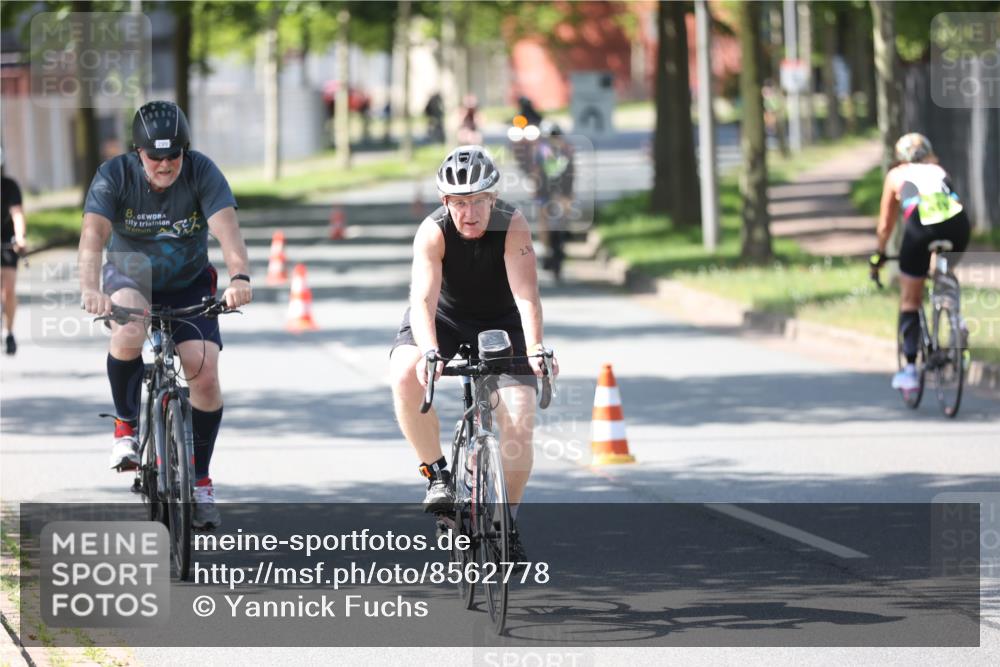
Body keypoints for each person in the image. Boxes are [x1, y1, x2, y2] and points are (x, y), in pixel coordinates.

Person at [78, 101, 253, 529]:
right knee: (131, 327)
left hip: (189, 282)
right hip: (130, 276)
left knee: (204, 374)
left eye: (173, 154)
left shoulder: (201, 171)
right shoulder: (113, 176)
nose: (165, 164)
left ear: (185, 151)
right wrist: (89, 288)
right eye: (154, 156)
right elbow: (93, 234)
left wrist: (240, 277)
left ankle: (200, 479)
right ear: (138, 153)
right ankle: (125, 430)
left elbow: (226, 227)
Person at [389, 145, 559, 560]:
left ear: (493, 198)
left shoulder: (512, 225)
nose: (470, 212)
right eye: (460, 203)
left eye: (479, 201)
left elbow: (527, 296)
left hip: (503, 322)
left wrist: (536, 348)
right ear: (446, 203)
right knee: (405, 374)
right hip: (443, 320)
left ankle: (506, 524)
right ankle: (437, 475)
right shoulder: (433, 231)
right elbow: (423, 301)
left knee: (519, 419)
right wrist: (430, 353)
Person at [871, 132, 970, 392]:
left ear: (899, 158)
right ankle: (955, 320)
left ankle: (910, 370)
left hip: (920, 226)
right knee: (943, 275)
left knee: (910, 300)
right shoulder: (938, 170)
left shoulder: (896, 175)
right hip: (958, 225)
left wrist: (878, 255)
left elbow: (885, 225)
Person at [534, 122, 575, 282]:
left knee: (553, 221)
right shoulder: (558, 151)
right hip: (551, 193)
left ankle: (554, 246)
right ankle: (549, 247)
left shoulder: (547, 151)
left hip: (556, 193)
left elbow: (570, 172)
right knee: (548, 221)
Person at [1, 151, 28, 355]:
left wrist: (20, 237)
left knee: (8, 289)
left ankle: (9, 332)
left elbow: (17, 213)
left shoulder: (9, 186)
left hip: (6, 242)